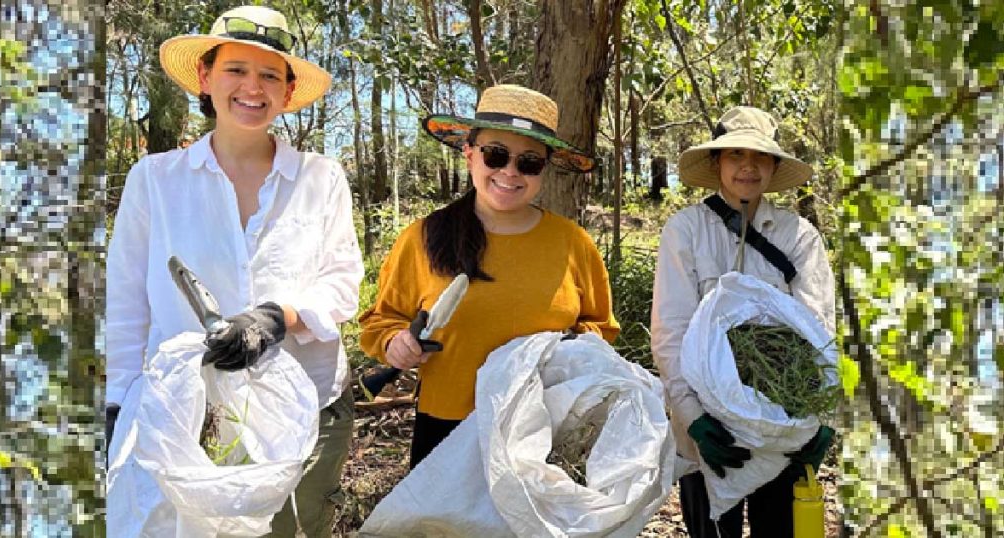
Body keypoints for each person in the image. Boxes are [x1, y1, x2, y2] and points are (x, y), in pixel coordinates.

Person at [106, 6, 364, 536]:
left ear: (288, 92)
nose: (253, 87)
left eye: (270, 74)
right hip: (187, 412)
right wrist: (117, 403)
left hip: (305, 408)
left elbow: (341, 280)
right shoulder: (156, 179)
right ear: (205, 77)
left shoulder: (321, 178)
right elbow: (127, 299)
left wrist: (280, 316)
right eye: (236, 70)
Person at [359, 84, 620, 469]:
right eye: (495, 155)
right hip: (447, 425)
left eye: (528, 162)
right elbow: (382, 321)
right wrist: (395, 344)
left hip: (540, 427)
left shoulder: (573, 244)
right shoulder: (424, 237)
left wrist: (567, 348)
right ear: (469, 154)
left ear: (543, 169)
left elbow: (601, 327)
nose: (510, 172)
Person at [650, 106, 836, 537]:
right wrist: (694, 416)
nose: (747, 166)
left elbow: (819, 330)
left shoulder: (799, 237)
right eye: (735, 154)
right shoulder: (686, 231)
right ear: (717, 163)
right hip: (709, 436)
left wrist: (826, 419)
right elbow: (671, 330)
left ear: (774, 166)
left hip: (784, 431)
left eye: (760, 157)